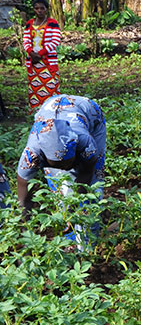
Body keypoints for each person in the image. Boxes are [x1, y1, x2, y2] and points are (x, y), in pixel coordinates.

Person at [16, 94, 107, 246]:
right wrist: (25, 232)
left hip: (88, 111)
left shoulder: (86, 143)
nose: (67, 168)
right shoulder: (31, 155)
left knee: (92, 188)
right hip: (50, 107)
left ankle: (88, 243)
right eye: (60, 165)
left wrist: (74, 208)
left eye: (70, 163)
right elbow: (23, 197)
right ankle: (70, 241)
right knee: (61, 186)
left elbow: (85, 177)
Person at [23, 0, 62, 111]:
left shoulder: (52, 23)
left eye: (42, 8)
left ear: (46, 9)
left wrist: (39, 54)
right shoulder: (29, 23)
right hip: (33, 62)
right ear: (34, 10)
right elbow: (26, 41)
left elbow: (55, 41)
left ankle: (51, 111)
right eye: (36, 8)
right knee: (35, 87)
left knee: (50, 86)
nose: (39, 11)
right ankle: (36, 112)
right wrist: (31, 53)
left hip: (48, 61)